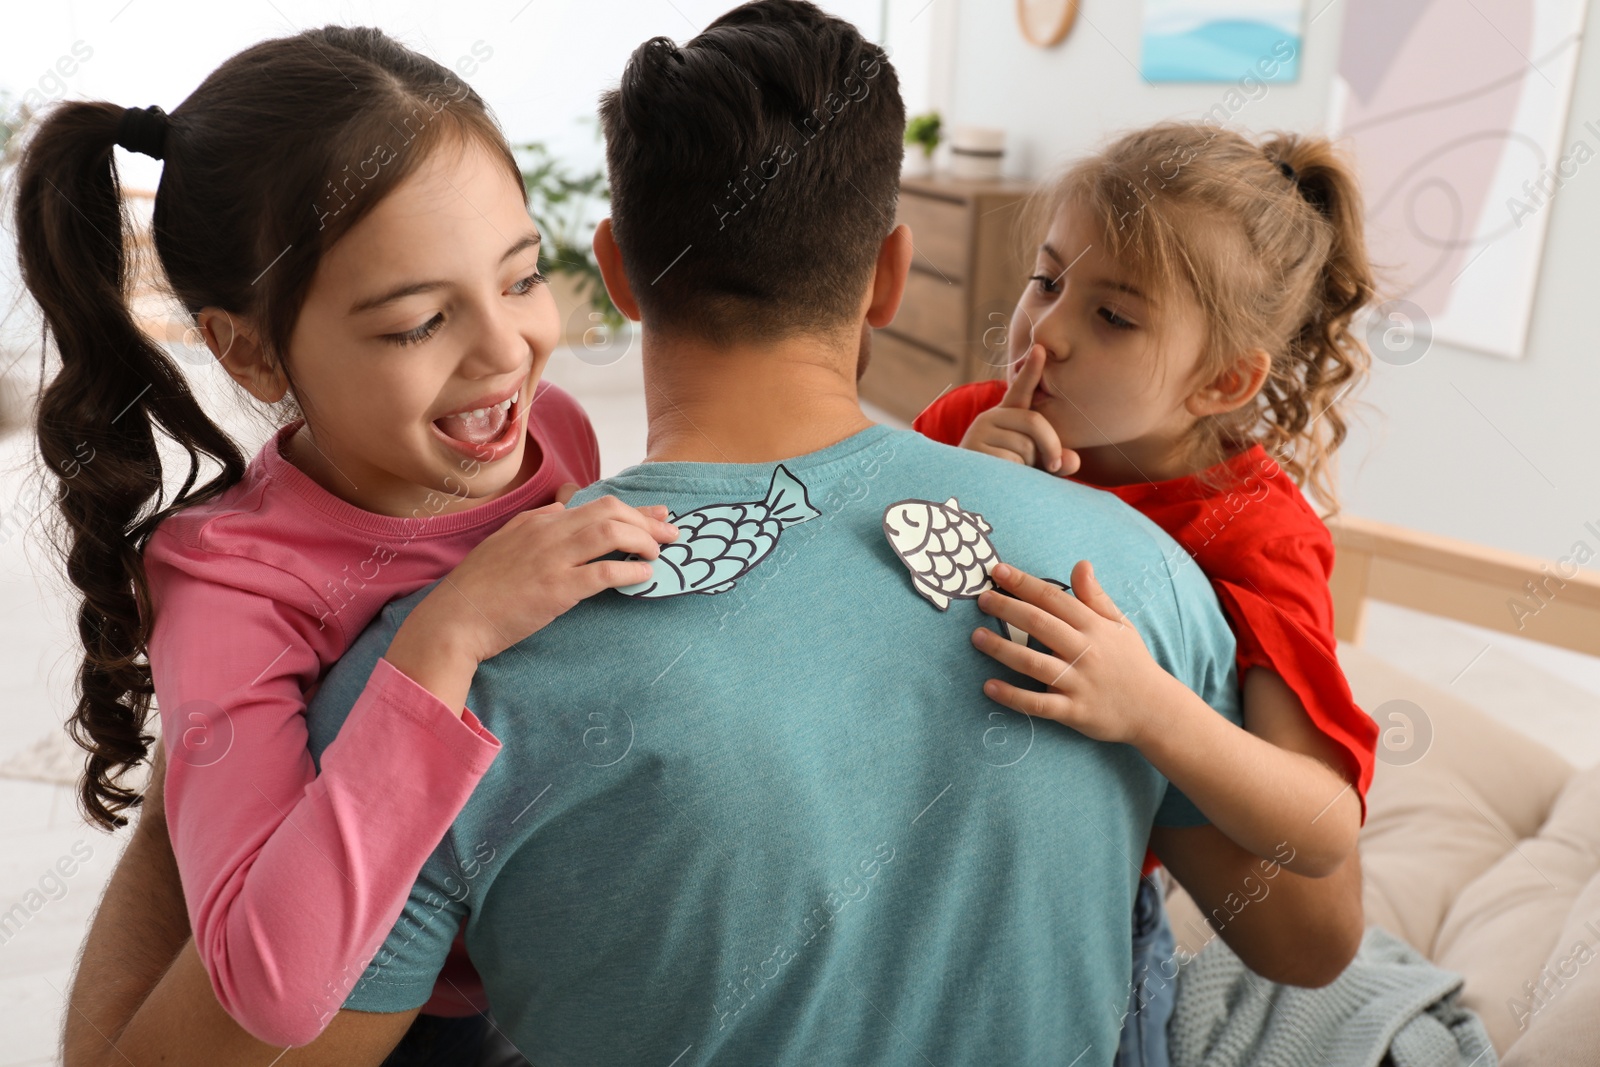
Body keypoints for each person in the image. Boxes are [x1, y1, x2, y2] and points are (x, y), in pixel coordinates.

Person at [63, 4, 1363, 1064]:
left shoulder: (436, 686)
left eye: (517, 281)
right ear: (892, 273)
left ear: (615, 270)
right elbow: (1313, 935)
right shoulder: (1133, 583)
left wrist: (205, 773)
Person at [15, 24, 677, 1058]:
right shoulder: (233, 586)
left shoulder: (554, 434)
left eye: (518, 277)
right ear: (248, 348)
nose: (506, 352)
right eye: (418, 322)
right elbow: (268, 986)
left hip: (545, 964)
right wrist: (439, 641)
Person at [915, 121, 1379, 1065]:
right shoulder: (972, 421)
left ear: (1222, 381)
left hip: (1090, 909)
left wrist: (1146, 705)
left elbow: (1322, 826)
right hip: (932, 856)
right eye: (1047, 280)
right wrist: (950, 487)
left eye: (1114, 317)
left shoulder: (1258, 534)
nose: (1046, 331)